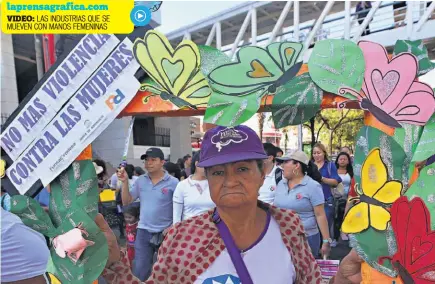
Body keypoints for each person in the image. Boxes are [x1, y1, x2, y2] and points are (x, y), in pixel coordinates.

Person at [108, 125, 321, 283]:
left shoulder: (287, 226)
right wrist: (113, 265)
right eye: (218, 172)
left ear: (262, 174)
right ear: (208, 179)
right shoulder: (183, 237)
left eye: (242, 169)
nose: (230, 181)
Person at [118, 147, 178, 281]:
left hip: (165, 232)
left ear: (162, 162)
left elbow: (179, 208)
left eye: (153, 160)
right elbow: (127, 201)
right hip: (144, 231)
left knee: (168, 270)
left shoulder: (174, 183)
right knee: (140, 270)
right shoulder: (141, 181)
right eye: (146, 160)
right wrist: (124, 182)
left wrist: (173, 226)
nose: (148, 163)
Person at [274, 150, 332, 258]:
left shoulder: (312, 186)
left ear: (297, 165)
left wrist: (326, 241)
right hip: (281, 238)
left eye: (285, 162)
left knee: (305, 273)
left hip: (306, 239)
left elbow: (320, 215)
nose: (281, 166)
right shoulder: (281, 183)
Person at [312, 143, 342, 247]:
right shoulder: (309, 166)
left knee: (324, 229)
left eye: (319, 153)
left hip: (326, 201)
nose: (316, 155)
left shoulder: (330, 165)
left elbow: (335, 182)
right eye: (314, 153)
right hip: (310, 201)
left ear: (324, 153)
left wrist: (321, 178)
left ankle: (324, 252)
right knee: (312, 229)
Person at [173, 151, 214, 224]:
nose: (209, 167)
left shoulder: (215, 183)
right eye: (206, 163)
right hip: (188, 230)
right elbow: (176, 215)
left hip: (212, 230)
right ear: (196, 163)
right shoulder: (182, 185)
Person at [335, 152, 356, 243]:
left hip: (349, 197)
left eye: (345, 159)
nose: (342, 161)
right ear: (337, 160)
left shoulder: (352, 172)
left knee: (348, 215)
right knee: (336, 218)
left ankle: (346, 232)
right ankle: (335, 236)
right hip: (335, 197)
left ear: (348, 161)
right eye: (340, 159)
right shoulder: (333, 171)